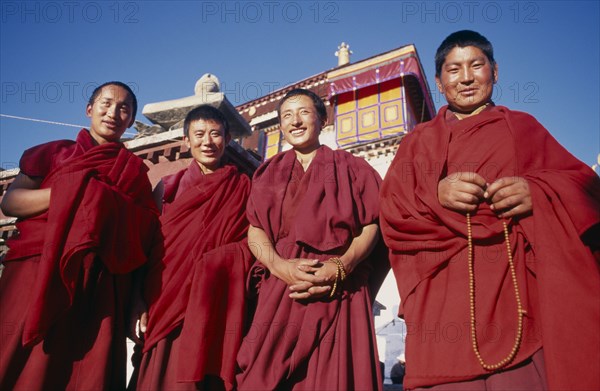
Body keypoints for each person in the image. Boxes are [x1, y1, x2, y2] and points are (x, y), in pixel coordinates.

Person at [380, 30, 600, 390]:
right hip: (441, 298)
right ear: (439, 81)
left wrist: (538, 192)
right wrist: (436, 194)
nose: (466, 77)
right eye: (454, 69)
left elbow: (586, 191)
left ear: (495, 72)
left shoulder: (522, 128)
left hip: (514, 296)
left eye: (476, 65)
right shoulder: (417, 142)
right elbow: (391, 210)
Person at [0, 81, 159, 390]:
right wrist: (74, 191)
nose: (113, 112)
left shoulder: (134, 173)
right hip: (37, 271)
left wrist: (139, 299)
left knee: (83, 375)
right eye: (106, 103)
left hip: (102, 285)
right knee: (19, 363)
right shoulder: (55, 152)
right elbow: (11, 201)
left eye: (124, 108)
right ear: (89, 109)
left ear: (130, 121)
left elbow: (144, 241)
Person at [236, 88, 389, 390]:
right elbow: (255, 229)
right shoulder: (268, 173)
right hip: (281, 289)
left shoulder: (353, 168)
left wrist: (343, 265)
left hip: (338, 288)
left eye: (304, 112)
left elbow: (371, 223)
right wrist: (280, 267)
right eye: (287, 116)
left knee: (332, 375)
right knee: (264, 374)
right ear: (280, 125)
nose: (295, 122)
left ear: (322, 119)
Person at [132, 105, 253, 390]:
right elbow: (146, 246)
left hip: (214, 300)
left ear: (227, 139)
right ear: (186, 141)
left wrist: (220, 260)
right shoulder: (166, 187)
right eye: (199, 134)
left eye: (215, 134)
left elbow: (254, 244)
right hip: (164, 297)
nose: (207, 142)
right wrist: (136, 300)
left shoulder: (243, 187)